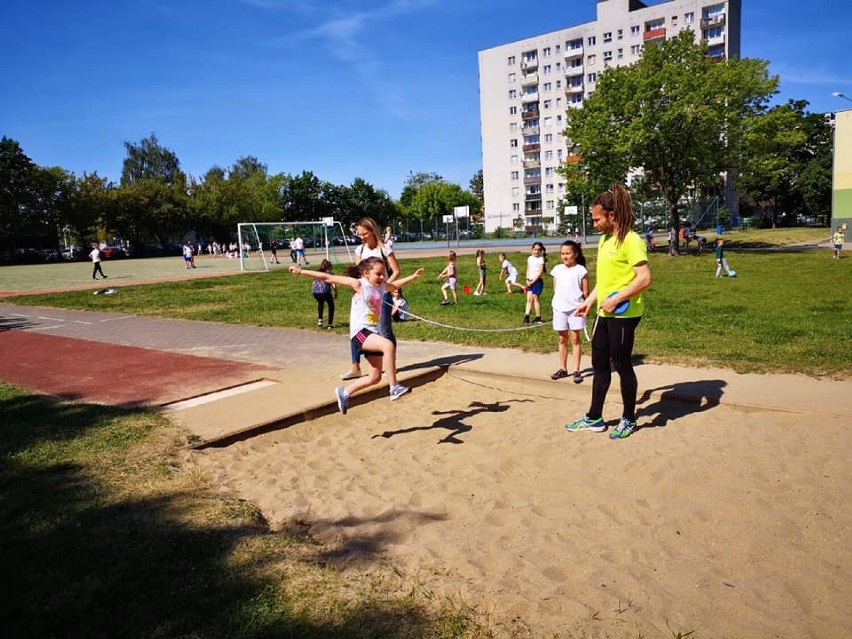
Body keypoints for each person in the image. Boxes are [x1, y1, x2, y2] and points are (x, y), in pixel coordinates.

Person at [566, 184, 652, 439]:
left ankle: (628, 418)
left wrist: (617, 300)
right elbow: (605, 282)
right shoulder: (605, 240)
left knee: (623, 365)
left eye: (596, 218)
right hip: (604, 314)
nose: (594, 223)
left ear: (612, 216)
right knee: (599, 364)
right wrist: (590, 300)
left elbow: (645, 278)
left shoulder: (631, 240)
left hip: (624, 315)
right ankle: (594, 417)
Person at [288, 257, 425, 413]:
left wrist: (413, 277)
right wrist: (301, 271)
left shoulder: (381, 287)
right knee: (388, 345)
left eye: (383, 274)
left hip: (373, 333)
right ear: (366, 273)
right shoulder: (359, 284)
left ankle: (344, 392)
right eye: (378, 274)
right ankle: (394, 387)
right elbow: (328, 277)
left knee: (375, 377)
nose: (381, 277)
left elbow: (395, 285)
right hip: (360, 333)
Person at [341, 218, 401, 381]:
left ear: (373, 231)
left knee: (384, 330)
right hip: (365, 296)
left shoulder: (384, 249)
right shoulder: (359, 250)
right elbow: (358, 274)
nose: (362, 237)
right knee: (358, 329)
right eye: (359, 234)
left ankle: (390, 365)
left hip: (382, 295)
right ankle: (355, 366)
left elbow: (396, 271)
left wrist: (384, 286)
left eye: (365, 233)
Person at [549, 240, 589, 384]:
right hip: (560, 308)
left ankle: (577, 369)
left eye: (568, 253)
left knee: (575, 339)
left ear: (575, 254)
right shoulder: (557, 270)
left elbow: (585, 292)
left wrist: (585, 307)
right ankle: (562, 368)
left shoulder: (580, 270)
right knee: (562, 339)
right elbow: (555, 289)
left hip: (576, 309)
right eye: (563, 253)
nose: (565, 256)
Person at [523, 241, 546, 324]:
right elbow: (528, 269)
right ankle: (526, 316)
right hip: (529, 281)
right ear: (532, 249)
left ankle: (538, 317)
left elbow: (540, 272)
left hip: (537, 282)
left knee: (535, 298)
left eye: (539, 250)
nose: (537, 251)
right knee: (529, 299)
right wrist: (527, 279)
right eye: (535, 249)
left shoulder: (540, 259)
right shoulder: (530, 258)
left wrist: (534, 281)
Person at [311, 259, 337, 328]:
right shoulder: (330, 273)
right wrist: (336, 292)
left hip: (315, 292)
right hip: (325, 291)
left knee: (321, 302)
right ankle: (330, 324)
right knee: (331, 305)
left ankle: (320, 320)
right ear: (329, 267)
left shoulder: (317, 272)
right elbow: (333, 284)